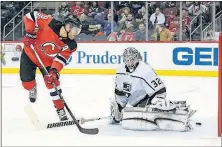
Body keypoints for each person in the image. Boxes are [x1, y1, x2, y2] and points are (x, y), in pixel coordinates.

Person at [109, 47, 196, 132]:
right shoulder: (120, 71)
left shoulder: (145, 70)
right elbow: (120, 91)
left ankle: (175, 110)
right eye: (127, 60)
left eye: (132, 59)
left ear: (138, 58)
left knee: (159, 106)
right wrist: (119, 107)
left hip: (148, 100)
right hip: (135, 104)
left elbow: (159, 89)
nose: (130, 62)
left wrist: (158, 100)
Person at [20, 11, 81, 121]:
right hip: (30, 54)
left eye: (78, 31)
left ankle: (60, 109)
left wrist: (54, 71)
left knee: (53, 83)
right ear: (68, 26)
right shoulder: (49, 22)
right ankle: (32, 87)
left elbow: (61, 59)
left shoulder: (71, 44)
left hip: (47, 63)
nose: (76, 34)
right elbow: (30, 15)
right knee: (27, 85)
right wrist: (30, 32)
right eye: (75, 30)